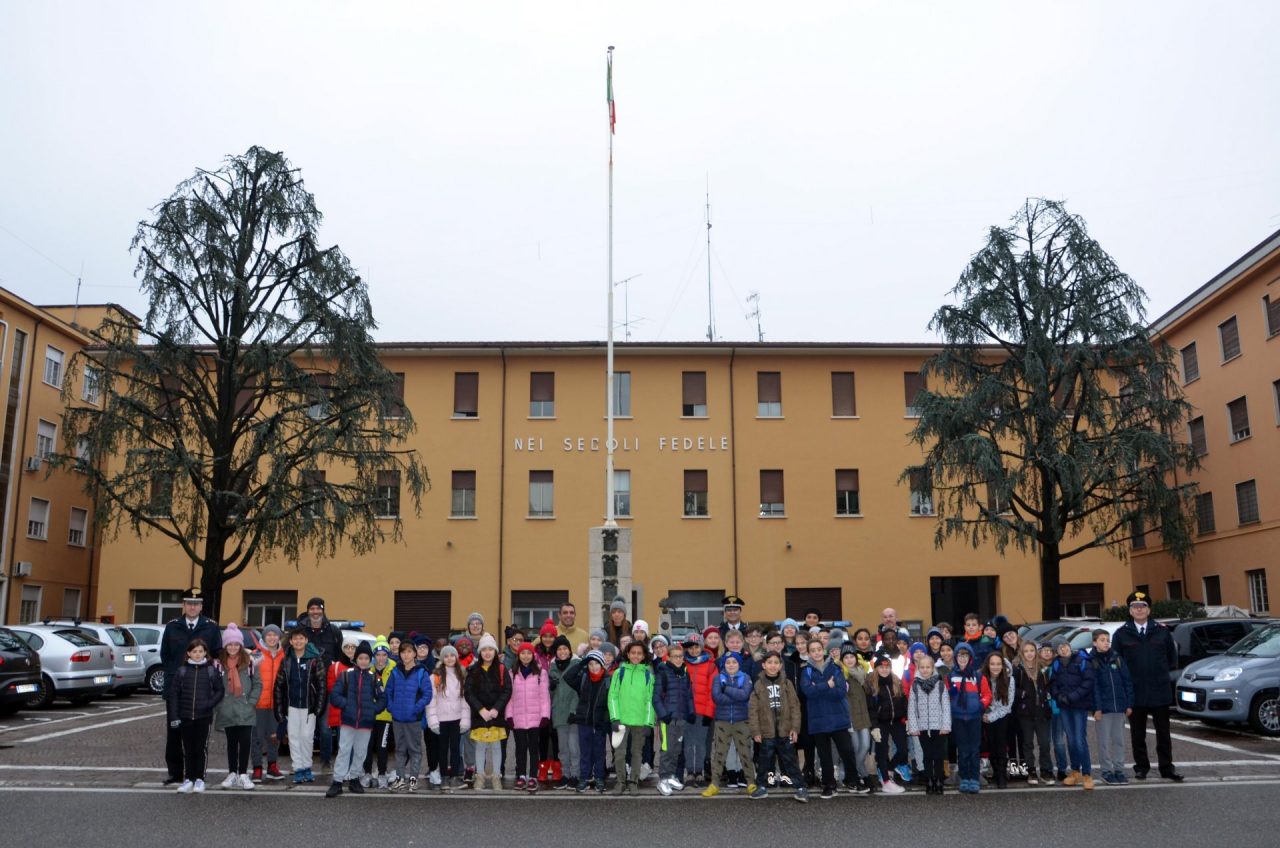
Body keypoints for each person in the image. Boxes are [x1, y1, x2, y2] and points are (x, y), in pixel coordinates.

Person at [1112, 591, 1183, 782]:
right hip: (1135, 691)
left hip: (1159, 690)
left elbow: (1171, 659)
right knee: (1137, 734)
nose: (1139, 610)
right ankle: (1141, 767)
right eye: (1135, 607)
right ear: (1130, 611)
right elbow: (1117, 663)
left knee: (1163, 733)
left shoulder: (1162, 631)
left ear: (1149, 609)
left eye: (1142, 606)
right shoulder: (1121, 634)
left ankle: (1167, 768)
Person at [159, 588, 222, 786]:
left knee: (198, 734)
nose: (192, 607)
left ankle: (196, 774)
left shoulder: (210, 627)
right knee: (174, 731)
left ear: (201, 606)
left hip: (201, 687)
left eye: (196, 604)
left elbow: (217, 654)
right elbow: (165, 656)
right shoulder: (173, 627)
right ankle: (176, 773)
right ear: (184, 605)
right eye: (189, 603)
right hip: (177, 689)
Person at [799, 634, 859, 799]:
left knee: (847, 750)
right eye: (813, 650)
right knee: (824, 754)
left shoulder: (835, 667)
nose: (817, 653)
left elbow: (840, 692)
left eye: (819, 649)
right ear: (809, 653)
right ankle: (829, 784)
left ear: (823, 650)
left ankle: (853, 780)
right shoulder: (806, 671)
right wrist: (827, 685)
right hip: (818, 719)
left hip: (838, 717)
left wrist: (819, 688)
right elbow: (808, 692)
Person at [326, 640, 386, 798]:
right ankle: (337, 781)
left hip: (365, 723)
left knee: (360, 752)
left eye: (366, 658)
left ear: (370, 660)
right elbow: (335, 695)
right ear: (356, 659)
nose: (363, 661)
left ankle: (354, 779)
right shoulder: (346, 675)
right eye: (361, 658)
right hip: (348, 721)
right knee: (344, 751)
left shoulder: (375, 678)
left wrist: (373, 710)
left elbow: (383, 699)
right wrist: (346, 705)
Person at [747, 650, 809, 802]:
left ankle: (800, 788)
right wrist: (755, 730)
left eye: (776, 663)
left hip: (785, 730)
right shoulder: (758, 685)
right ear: (763, 665)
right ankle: (761, 786)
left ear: (781, 665)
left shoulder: (787, 683)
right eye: (769, 663)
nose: (773, 666)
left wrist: (795, 728)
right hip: (766, 731)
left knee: (790, 760)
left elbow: (795, 707)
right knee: (764, 761)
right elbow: (753, 710)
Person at [167, 637, 224, 793]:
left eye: (200, 651)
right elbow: (174, 695)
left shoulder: (211, 670)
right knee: (188, 748)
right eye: (194, 651)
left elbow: (220, 690)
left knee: (201, 748)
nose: (197, 654)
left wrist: (209, 704)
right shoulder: (182, 671)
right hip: (185, 716)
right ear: (188, 653)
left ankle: (199, 778)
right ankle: (188, 778)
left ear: (205, 652)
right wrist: (174, 716)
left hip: (203, 717)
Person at [273, 626, 327, 784]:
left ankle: (307, 767)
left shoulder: (315, 660)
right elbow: (279, 685)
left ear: (306, 640)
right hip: (291, 706)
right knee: (294, 738)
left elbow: (322, 685)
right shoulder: (286, 660)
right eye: (295, 638)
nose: (298, 641)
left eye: (301, 638)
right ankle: (298, 768)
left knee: (307, 738)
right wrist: (279, 709)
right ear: (290, 641)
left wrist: (318, 707)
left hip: (309, 707)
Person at [702, 651, 758, 797]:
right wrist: (736, 696)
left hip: (741, 721)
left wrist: (726, 689)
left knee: (745, 752)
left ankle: (751, 782)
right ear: (723, 664)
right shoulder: (717, 678)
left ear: (739, 664)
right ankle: (714, 783)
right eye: (728, 662)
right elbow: (717, 698)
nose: (731, 665)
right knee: (719, 753)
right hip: (723, 720)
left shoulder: (745, 677)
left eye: (734, 662)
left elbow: (745, 695)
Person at [214, 624, 261, 791]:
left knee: (245, 741)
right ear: (225, 646)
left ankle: (243, 773)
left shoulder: (249, 662)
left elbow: (257, 684)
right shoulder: (219, 664)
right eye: (229, 644)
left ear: (240, 646)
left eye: (236, 644)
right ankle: (232, 772)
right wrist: (217, 704)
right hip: (227, 709)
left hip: (245, 708)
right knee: (231, 743)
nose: (233, 647)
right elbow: (214, 686)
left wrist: (252, 701)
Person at [464, 633, 511, 791]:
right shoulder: (473, 670)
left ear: (496, 651)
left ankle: (496, 776)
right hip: (480, 715)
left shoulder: (502, 669)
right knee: (480, 746)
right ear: (480, 652)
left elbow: (507, 691)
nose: (488, 652)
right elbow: (468, 692)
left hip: (496, 715)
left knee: (497, 746)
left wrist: (497, 708)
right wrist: (481, 709)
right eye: (484, 649)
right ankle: (480, 776)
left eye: (491, 649)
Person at [609, 640, 655, 794]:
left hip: (640, 721)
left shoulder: (648, 675)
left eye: (639, 653)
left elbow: (650, 701)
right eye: (633, 653)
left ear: (643, 656)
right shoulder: (619, 673)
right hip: (621, 721)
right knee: (620, 754)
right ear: (627, 654)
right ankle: (620, 782)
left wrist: (649, 723)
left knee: (637, 753)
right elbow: (613, 696)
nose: (636, 656)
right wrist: (615, 718)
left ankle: (633, 781)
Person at [1049, 634, 1095, 790]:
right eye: (1059, 648)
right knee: (1070, 739)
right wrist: (1059, 696)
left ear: (1069, 645)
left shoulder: (1082, 660)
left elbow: (1088, 683)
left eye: (1065, 645)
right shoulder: (1056, 664)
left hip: (1079, 706)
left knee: (1079, 740)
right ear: (1057, 651)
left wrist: (1072, 697)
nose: (1063, 649)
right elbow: (1053, 684)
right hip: (1064, 706)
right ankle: (1075, 771)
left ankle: (1087, 773)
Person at [385, 640, 432, 792]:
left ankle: (413, 779)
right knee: (399, 750)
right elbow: (388, 692)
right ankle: (400, 779)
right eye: (403, 652)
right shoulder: (395, 671)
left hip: (413, 719)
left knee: (415, 750)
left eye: (409, 652)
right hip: (397, 718)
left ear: (414, 653)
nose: (406, 655)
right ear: (400, 654)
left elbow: (427, 694)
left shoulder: (421, 672)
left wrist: (416, 708)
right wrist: (391, 708)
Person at [563, 650, 611, 793]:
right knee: (585, 752)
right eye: (590, 663)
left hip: (600, 723)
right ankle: (584, 777)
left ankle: (600, 778)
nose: (593, 667)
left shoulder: (608, 680)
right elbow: (568, 677)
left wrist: (606, 721)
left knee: (599, 752)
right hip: (584, 722)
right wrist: (581, 664)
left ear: (602, 664)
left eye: (596, 663)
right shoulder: (583, 678)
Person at [1091, 628, 1134, 785]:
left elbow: (1127, 681)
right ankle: (1106, 770)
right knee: (1103, 741)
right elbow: (1093, 687)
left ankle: (1119, 769)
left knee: (1119, 740)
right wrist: (1097, 708)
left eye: (1107, 640)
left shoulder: (1117, 658)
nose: (1106, 643)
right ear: (1094, 642)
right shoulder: (1092, 661)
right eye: (1102, 640)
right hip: (1104, 709)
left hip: (1119, 707)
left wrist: (1129, 703)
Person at [947, 642, 991, 794]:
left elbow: (987, 695)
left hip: (974, 718)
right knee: (963, 749)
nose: (962, 658)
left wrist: (980, 705)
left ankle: (974, 777)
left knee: (974, 749)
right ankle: (964, 777)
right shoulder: (951, 676)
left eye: (965, 655)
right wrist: (951, 703)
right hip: (958, 718)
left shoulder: (978, 676)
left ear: (970, 657)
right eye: (960, 655)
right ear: (955, 657)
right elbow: (947, 697)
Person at [509, 641, 550, 793]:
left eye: (528, 653)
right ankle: (521, 775)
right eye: (522, 653)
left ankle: (533, 776)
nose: (525, 656)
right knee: (520, 748)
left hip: (535, 717)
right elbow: (510, 698)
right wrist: (509, 715)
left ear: (533, 655)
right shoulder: (512, 673)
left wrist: (545, 715)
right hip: (518, 717)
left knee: (534, 748)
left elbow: (544, 697)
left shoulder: (541, 673)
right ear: (518, 655)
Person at [906, 654, 951, 796]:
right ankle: (929, 780)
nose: (925, 670)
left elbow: (945, 706)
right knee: (927, 755)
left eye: (928, 667)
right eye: (922, 667)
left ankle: (938, 780)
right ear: (918, 669)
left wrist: (946, 725)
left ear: (933, 669)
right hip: (922, 726)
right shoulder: (915, 686)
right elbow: (912, 708)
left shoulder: (940, 685)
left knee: (938, 755)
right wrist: (913, 727)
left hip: (939, 726)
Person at [653, 638, 693, 796]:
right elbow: (656, 698)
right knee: (666, 749)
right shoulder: (663, 672)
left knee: (676, 749)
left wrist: (690, 712)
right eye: (675, 656)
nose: (678, 659)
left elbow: (689, 695)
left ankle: (670, 776)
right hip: (668, 719)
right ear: (668, 657)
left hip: (681, 718)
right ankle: (662, 779)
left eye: (680, 656)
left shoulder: (684, 673)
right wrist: (664, 715)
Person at [427, 643, 469, 789]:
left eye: (452, 655)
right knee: (443, 749)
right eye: (446, 656)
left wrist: (465, 720)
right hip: (441, 719)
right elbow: (431, 700)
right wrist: (432, 721)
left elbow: (465, 700)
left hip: (457, 718)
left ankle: (455, 777)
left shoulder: (461, 674)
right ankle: (444, 777)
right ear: (442, 658)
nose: (450, 658)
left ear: (456, 657)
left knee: (456, 749)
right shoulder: (436, 676)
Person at [1013, 640, 1054, 786]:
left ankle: (1045, 770)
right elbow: (1013, 688)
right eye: (1026, 651)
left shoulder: (1043, 667)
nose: (1029, 653)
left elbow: (1050, 686)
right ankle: (1031, 770)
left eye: (1032, 650)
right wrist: (1023, 693)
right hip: (1026, 713)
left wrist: (1046, 695)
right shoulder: (1018, 669)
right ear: (1022, 653)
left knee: (1044, 743)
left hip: (1042, 711)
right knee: (1028, 743)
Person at [867, 654, 909, 795]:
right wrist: (874, 727)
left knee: (903, 750)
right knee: (882, 752)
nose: (884, 670)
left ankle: (888, 768)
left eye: (887, 667)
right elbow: (871, 709)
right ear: (876, 668)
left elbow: (903, 701)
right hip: (880, 723)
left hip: (896, 721)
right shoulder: (871, 684)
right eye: (881, 667)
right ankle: (885, 782)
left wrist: (907, 718)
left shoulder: (896, 680)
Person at [250, 623, 286, 782]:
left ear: (279, 637)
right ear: (264, 637)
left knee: (274, 737)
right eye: (268, 635)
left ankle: (272, 766)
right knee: (257, 737)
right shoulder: (255, 655)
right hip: (258, 704)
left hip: (276, 705)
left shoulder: (284, 655)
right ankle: (257, 768)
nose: (272, 638)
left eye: (275, 635)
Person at [839, 643, 874, 793]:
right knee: (855, 748)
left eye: (851, 656)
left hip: (864, 716)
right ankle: (863, 776)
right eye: (845, 657)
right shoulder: (842, 675)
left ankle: (850, 773)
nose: (849, 660)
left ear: (856, 658)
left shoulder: (864, 674)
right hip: (850, 717)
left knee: (865, 746)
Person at [363, 637, 397, 789]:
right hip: (370, 715)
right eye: (378, 655)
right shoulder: (368, 670)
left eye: (384, 654)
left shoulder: (395, 669)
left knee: (382, 746)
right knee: (368, 746)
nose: (381, 658)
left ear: (388, 655)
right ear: (374, 656)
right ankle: (367, 773)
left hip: (386, 716)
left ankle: (382, 773)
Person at [683, 632, 716, 787]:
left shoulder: (710, 665)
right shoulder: (683, 664)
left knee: (701, 742)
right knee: (689, 742)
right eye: (690, 647)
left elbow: (712, 690)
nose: (693, 650)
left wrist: (709, 713)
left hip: (704, 711)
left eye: (696, 647)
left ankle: (700, 770)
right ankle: (690, 771)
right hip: (688, 711)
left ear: (701, 647)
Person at [547, 636, 580, 789]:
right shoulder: (552, 668)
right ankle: (565, 774)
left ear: (569, 650)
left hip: (572, 714)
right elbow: (549, 694)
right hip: (559, 714)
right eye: (559, 649)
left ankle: (575, 775)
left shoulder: (576, 665)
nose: (562, 652)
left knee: (574, 747)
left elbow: (578, 691)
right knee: (562, 748)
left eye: (565, 649)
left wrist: (574, 710)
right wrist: (551, 688)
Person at [981, 652, 1016, 789]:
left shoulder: (1009, 680)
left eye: (998, 664)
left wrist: (991, 717)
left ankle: (1001, 774)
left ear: (1003, 666)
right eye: (992, 664)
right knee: (990, 744)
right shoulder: (982, 677)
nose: (995, 667)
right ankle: (994, 771)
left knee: (1001, 744)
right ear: (988, 665)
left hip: (1002, 716)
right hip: (986, 715)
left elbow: (1007, 706)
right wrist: (984, 715)